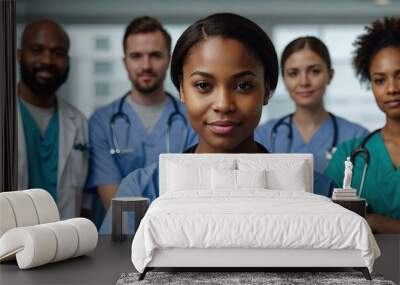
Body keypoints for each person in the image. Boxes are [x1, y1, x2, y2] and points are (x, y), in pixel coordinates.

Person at [99, 13, 335, 234]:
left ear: (267, 90)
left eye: (243, 85)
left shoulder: (316, 190)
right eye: (203, 85)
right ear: (182, 89)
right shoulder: (141, 190)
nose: (223, 104)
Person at [86, 16, 197, 224]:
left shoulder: (192, 119)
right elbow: (113, 202)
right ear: (125, 61)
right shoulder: (101, 122)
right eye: (136, 56)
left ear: (169, 59)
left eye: (155, 55)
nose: (146, 65)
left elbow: (191, 194)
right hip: (119, 238)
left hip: (175, 235)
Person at [325, 17, 400, 233]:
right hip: (361, 266)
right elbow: (326, 222)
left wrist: (376, 222)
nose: (392, 88)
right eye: (380, 80)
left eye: (399, 75)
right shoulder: (350, 155)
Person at [255, 36, 368, 174]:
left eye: (314, 71)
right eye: (293, 73)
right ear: (284, 79)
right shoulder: (264, 135)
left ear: (330, 75)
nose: (304, 82)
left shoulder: (357, 137)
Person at [17, 20, 89, 219]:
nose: (47, 60)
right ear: (19, 55)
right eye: (37, 50)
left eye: (58, 53)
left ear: (67, 61)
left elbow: (85, 203)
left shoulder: (79, 123)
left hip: (64, 243)